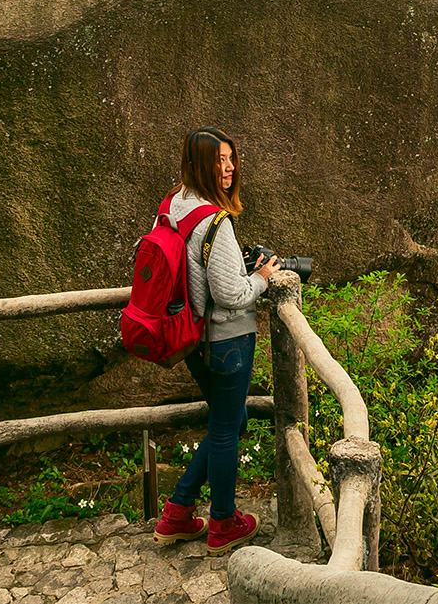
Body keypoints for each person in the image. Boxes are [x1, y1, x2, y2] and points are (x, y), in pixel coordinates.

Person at [152, 127, 278, 555]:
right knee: (227, 429)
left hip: (190, 339)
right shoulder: (214, 220)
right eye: (218, 161)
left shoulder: (171, 206)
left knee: (231, 421)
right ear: (198, 163)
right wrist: (262, 277)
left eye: (231, 158)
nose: (228, 168)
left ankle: (178, 512)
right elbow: (231, 295)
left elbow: (191, 271)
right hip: (227, 339)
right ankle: (224, 522)